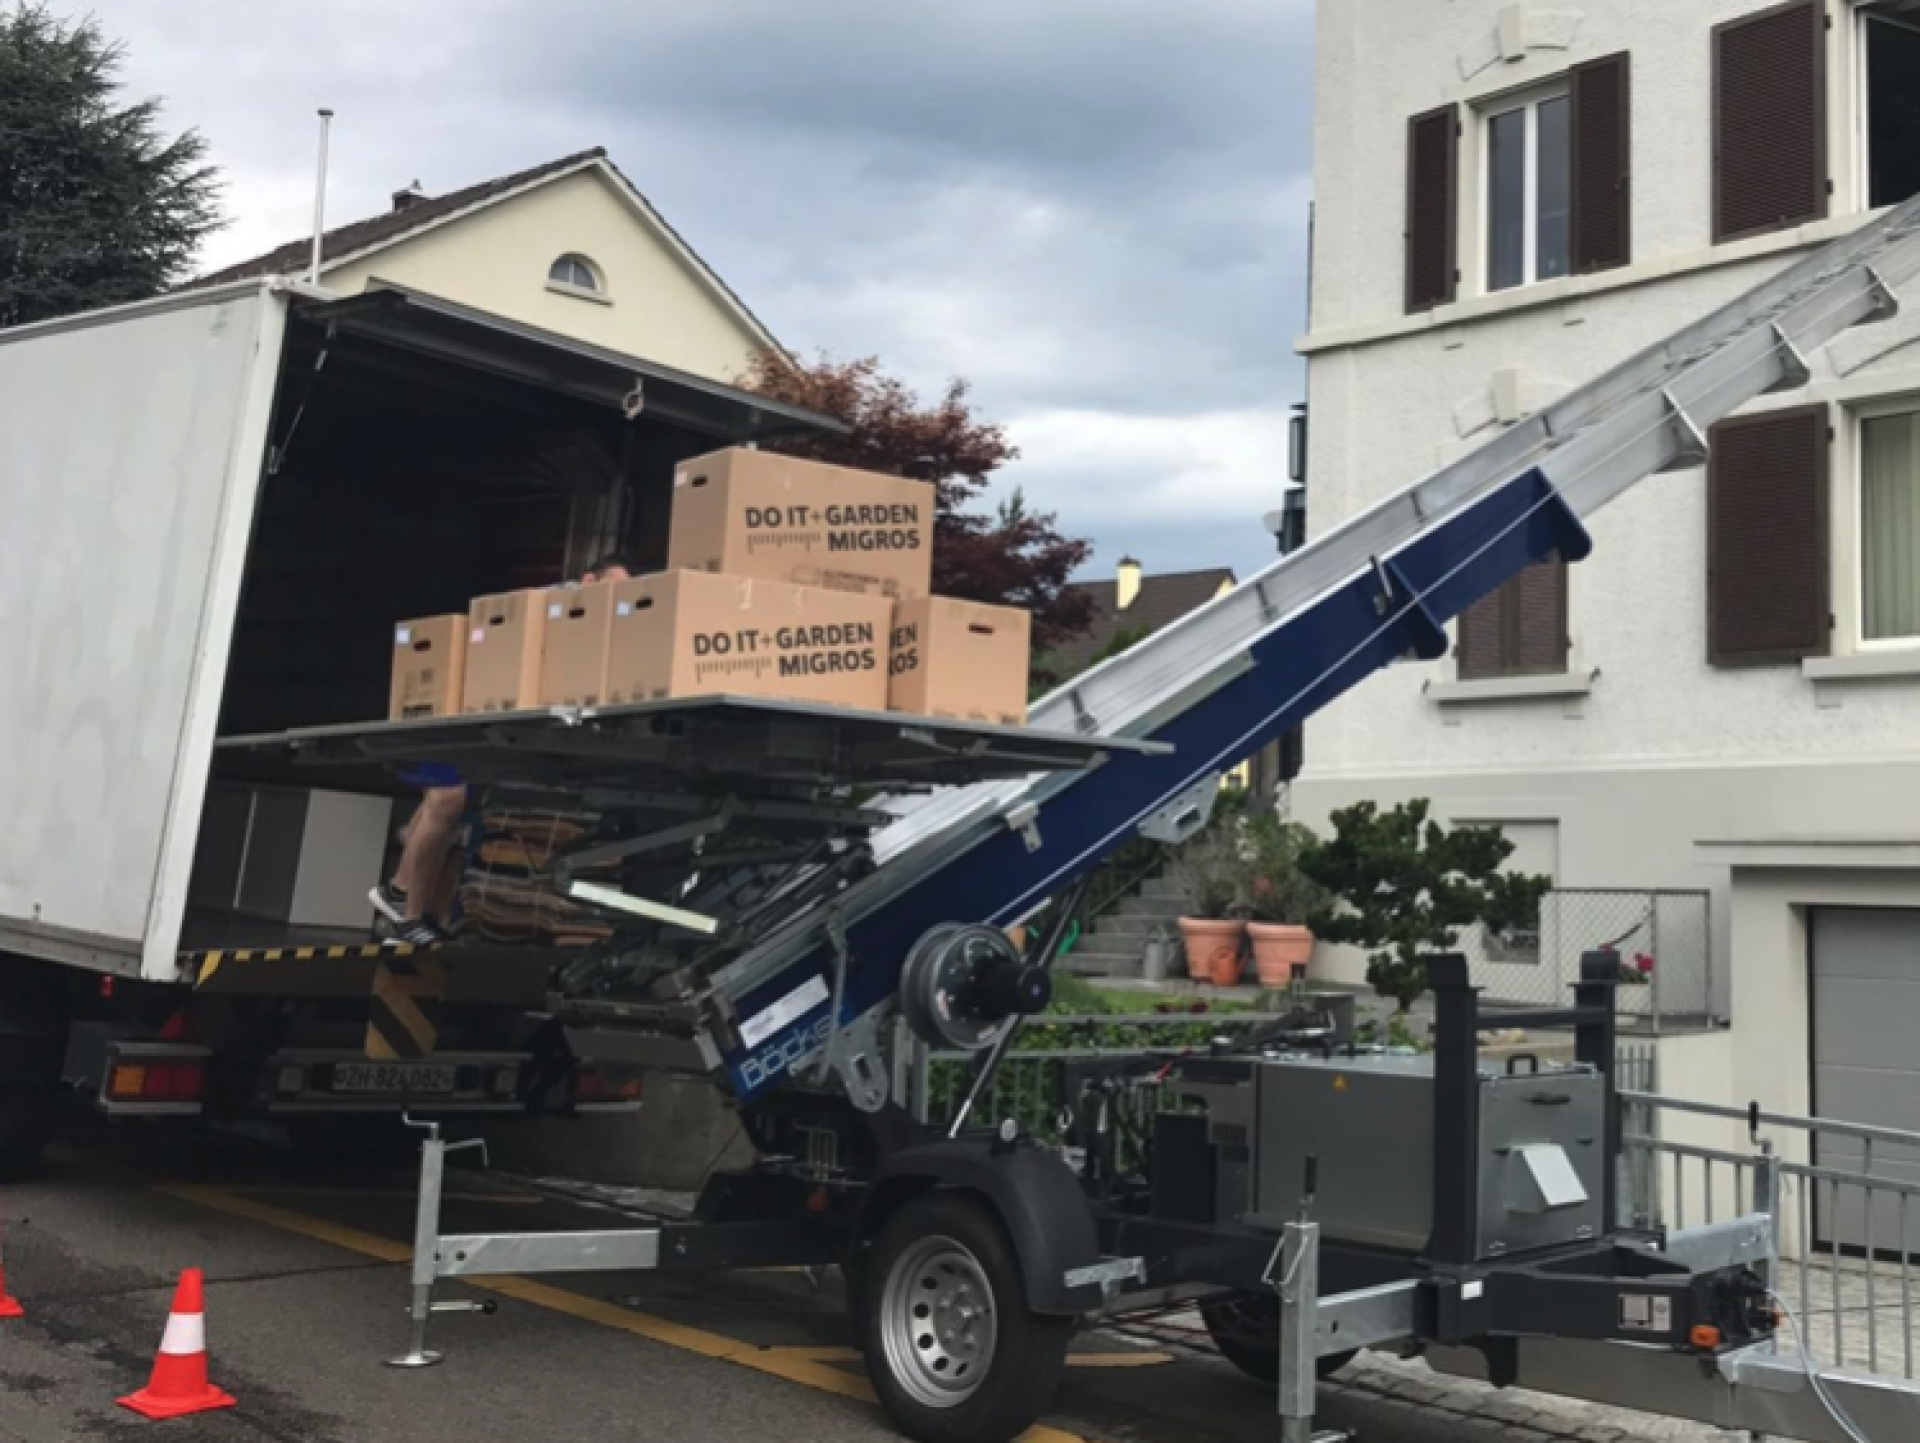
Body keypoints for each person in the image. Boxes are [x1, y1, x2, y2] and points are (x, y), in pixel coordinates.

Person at [370, 552, 636, 945]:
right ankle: (409, 917)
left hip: (478, 711)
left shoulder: (580, 619)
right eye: (612, 588)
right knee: (445, 801)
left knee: (439, 804)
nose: (614, 600)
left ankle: (398, 889)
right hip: (458, 707)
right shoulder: (554, 608)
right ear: (589, 581)